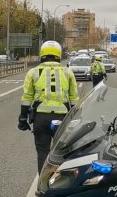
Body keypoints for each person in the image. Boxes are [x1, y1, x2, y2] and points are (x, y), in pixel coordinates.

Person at [18, 41, 79, 174]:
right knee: (62, 153)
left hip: (41, 117)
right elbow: (74, 98)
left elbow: (27, 97)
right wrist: (76, 118)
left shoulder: (33, 72)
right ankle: (61, 184)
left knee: (43, 153)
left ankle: (43, 185)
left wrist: (23, 118)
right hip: (62, 118)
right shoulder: (67, 72)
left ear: (42, 54)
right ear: (58, 54)